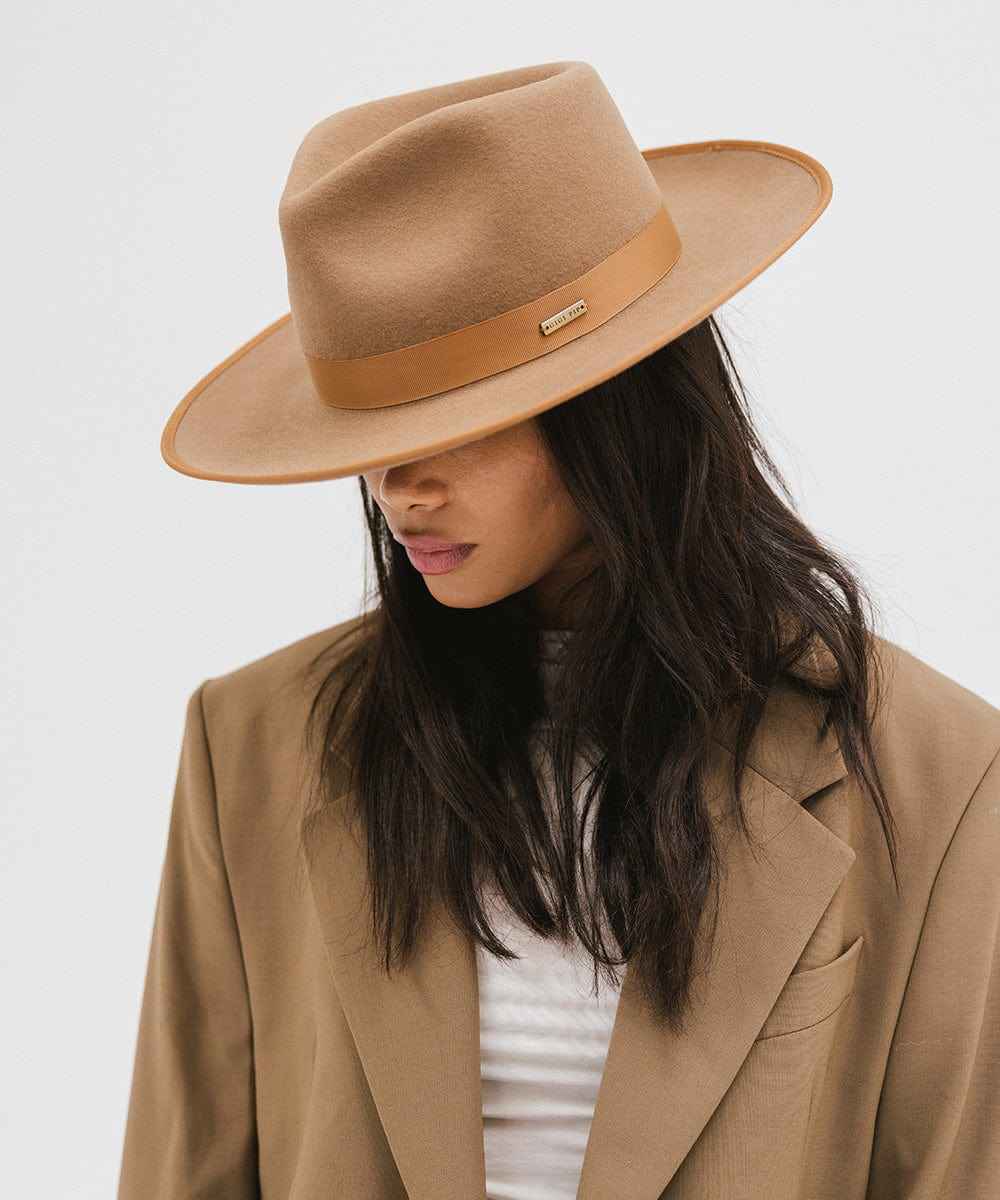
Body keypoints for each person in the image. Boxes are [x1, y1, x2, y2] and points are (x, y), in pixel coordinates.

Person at [118, 61, 1000, 1200]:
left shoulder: (930, 769)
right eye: (376, 430)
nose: (399, 488)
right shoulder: (253, 746)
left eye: (459, 419)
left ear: (617, 409)